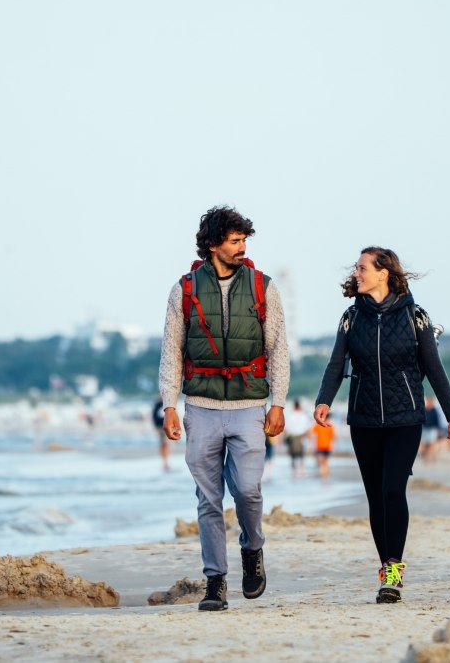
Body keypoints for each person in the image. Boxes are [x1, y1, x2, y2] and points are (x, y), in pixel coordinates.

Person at [158, 205, 290, 612]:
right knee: (208, 500)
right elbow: (172, 350)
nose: (242, 247)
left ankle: (253, 549)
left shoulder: (263, 287)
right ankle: (215, 581)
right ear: (213, 244)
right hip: (200, 407)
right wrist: (170, 405)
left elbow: (278, 349)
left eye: (244, 240)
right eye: (234, 240)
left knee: (248, 491)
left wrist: (278, 403)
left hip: (250, 405)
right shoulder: (183, 289)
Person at [314, 246, 450, 605]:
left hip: (405, 419)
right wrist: (323, 400)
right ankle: (385, 566)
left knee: (393, 491)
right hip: (363, 419)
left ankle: (393, 572)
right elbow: (337, 364)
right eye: (357, 269)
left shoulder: (416, 317)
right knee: (376, 499)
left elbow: (433, 368)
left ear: (384, 273)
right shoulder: (351, 318)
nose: (357, 273)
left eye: (363, 268)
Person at [284, 399, 311, 478]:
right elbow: (308, 429)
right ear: (299, 406)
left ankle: (294, 473)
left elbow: (286, 429)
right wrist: (309, 441)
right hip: (301, 437)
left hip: (292, 438)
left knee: (292, 457)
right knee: (301, 456)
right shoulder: (303, 415)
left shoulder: (290, 415)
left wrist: (283, 439)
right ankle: (302, 472)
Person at [419, 396, 444, 463]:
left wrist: (439, 429)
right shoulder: (424, 410)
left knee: (432, 444)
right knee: (424, 444)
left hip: (433, 429)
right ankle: (425, 457)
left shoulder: (434, 410)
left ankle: (432, 457)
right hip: (425, 429)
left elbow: (437, 420)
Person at [152, 399, 171, 472]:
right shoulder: (157, 405)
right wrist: (156, 426)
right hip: (160, 428)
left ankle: (166, 462)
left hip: (167, 427)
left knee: (165, 444)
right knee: (163, 445)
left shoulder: (168, 404)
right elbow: (154, 416)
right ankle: (165, 462)